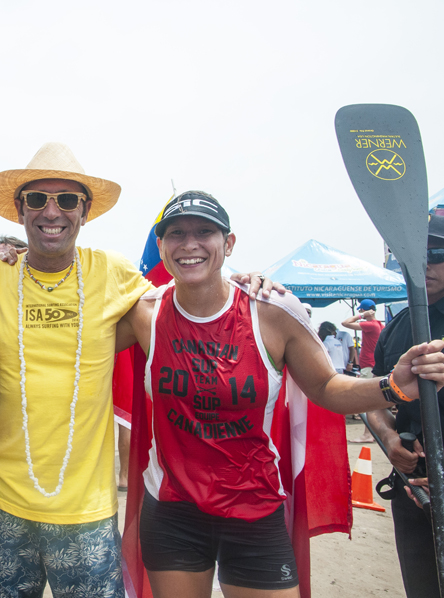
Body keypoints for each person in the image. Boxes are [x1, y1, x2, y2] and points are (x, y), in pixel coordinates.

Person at [0, 144, 276, 598]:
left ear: (85, 211)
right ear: (20, 211)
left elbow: (186, 303)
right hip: (1, 507)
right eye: (37, 199)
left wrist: (239, 283)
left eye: (67, 200)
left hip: (87, 515)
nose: (51, 211)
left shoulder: (112, 274)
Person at [114, 191, 444, 598]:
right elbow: (69, 342)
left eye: (205, 232)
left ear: (228, 243)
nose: (190, 244)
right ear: (161, 247)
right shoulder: (145, 314)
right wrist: (15, 269)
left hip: (253, 507)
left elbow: (324, 386)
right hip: (172, 508)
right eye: (176, 234)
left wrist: (391, 387)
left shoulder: (270, 309)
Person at [366, 214, 444, 598]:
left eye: (437, 252)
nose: (425, 263)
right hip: (413, 488)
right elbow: (373, 399)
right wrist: (389, 441)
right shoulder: (395, 327)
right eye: (413, 254)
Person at [343, 299, 385, 442]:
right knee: (377, 401)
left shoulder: (370, 325)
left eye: (361, 310)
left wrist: (361, 316)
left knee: (368, 400)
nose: (360, 312)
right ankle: (373, 433)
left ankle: (368, 434)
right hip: (374, 364)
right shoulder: (379, 324)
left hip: (368, 365)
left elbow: (345, 323)